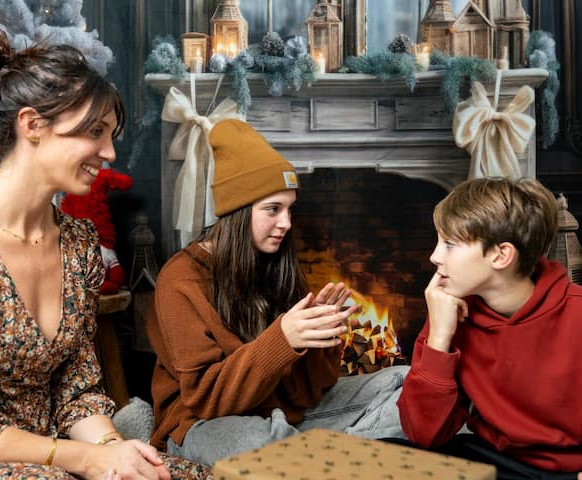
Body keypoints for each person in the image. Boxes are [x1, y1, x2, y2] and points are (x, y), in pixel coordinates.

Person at [0, 28, 209, 480]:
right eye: (95, 132)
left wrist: (114, 452)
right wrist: (85, 460)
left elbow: (76, 387)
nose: (110, 152)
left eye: (111, 135)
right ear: (32, 125)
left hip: (62, 456)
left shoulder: (80, 243)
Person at [147, 118, 408, 466]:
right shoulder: (180, 280)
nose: (286, 223)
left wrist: (320, 339)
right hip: (205, 423)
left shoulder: (276, 264)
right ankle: (352, 455)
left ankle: (328, 458)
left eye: (289, 209)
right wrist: (282, 339)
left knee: (404, 382)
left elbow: (308, 392)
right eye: (272, 209)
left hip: (283, 412)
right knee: (261, 443)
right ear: (237, 212)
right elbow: (207, 400)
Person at [397, 177, 582, 480]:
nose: (434, 257)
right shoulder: (449, 314)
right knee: (379, 459)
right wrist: (439, 339)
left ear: (501, 255)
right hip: (501, 463)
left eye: (450, 245)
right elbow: (423, 434)